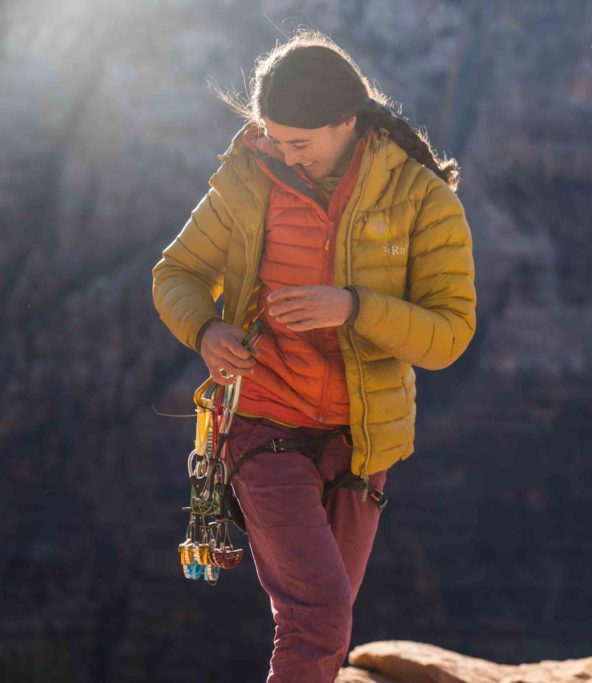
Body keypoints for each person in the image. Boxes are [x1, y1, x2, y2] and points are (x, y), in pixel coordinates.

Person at [152, 30, 476, 683]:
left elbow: (450, 334)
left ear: (348, 124)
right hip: (264, 425)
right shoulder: (250, 179)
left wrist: (354, 306)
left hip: (363, 446)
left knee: (321, 622)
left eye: (298, 143)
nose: (281, 153)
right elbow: (177, 272)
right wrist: (206, 331)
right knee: (320, 613)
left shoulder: (420, 198)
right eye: (271, 136)